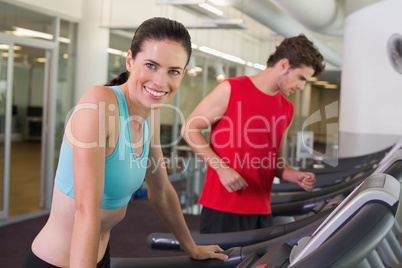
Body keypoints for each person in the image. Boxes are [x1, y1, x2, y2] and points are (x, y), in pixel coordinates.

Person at [23, 17, 228, 267]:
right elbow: (86, 211)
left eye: (173, 71)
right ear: (130, 60)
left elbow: (161, 190)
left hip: (98, 256)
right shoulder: (100, 102)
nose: (161, 81)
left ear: (183, 74)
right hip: (57, 261)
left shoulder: (150, 113)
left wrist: (192, 248)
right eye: (151, 65)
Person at [181, 34, 325, 234]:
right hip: (223, 208)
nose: (301, 86)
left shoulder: (287, 108)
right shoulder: (232, 89)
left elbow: (277, 163)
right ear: (284, 65)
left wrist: (296, 176)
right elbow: (189, 129)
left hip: (261, 210)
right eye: (301, 78)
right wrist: (222, 169)